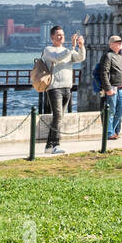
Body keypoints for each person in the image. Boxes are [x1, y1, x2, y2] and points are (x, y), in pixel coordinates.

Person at [42, 26, 85, 155]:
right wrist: (71, 47)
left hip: (67, 87)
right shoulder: (48, 50)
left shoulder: (67, 51)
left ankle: (49, 146)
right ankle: (55, 144)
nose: (61, 37)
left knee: (59, 117)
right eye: (58, 35)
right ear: (52, 37)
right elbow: (58, 58)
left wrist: (81, 46)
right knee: (58, 116)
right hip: (54, 88)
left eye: (62, 34)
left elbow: (80, 58)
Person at [97, 35, 122, 140]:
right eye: (118, 43)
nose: (120, 44)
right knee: (111, 111)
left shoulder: (120, 57)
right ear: (111, 44)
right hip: (112, 88)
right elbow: (104, 73)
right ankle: (109, 133)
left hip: (121, 88)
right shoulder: (108, 56)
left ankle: (110, 131)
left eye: (121, 42)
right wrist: (108, 88)